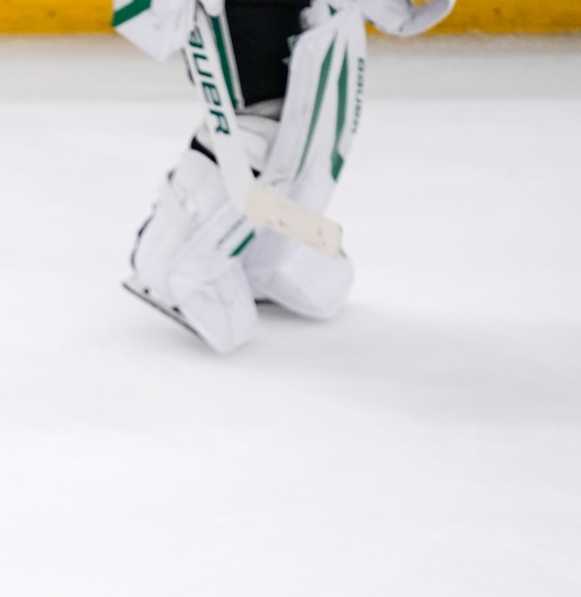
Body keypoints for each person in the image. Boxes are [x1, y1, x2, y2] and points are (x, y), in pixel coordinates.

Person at [113, 0, 455, 352]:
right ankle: (172, 250)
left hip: (318, 68)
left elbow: (403, 16)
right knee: (257, 140)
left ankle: (265, 257)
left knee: (314, 151)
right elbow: (139, 18)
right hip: (249, 96)